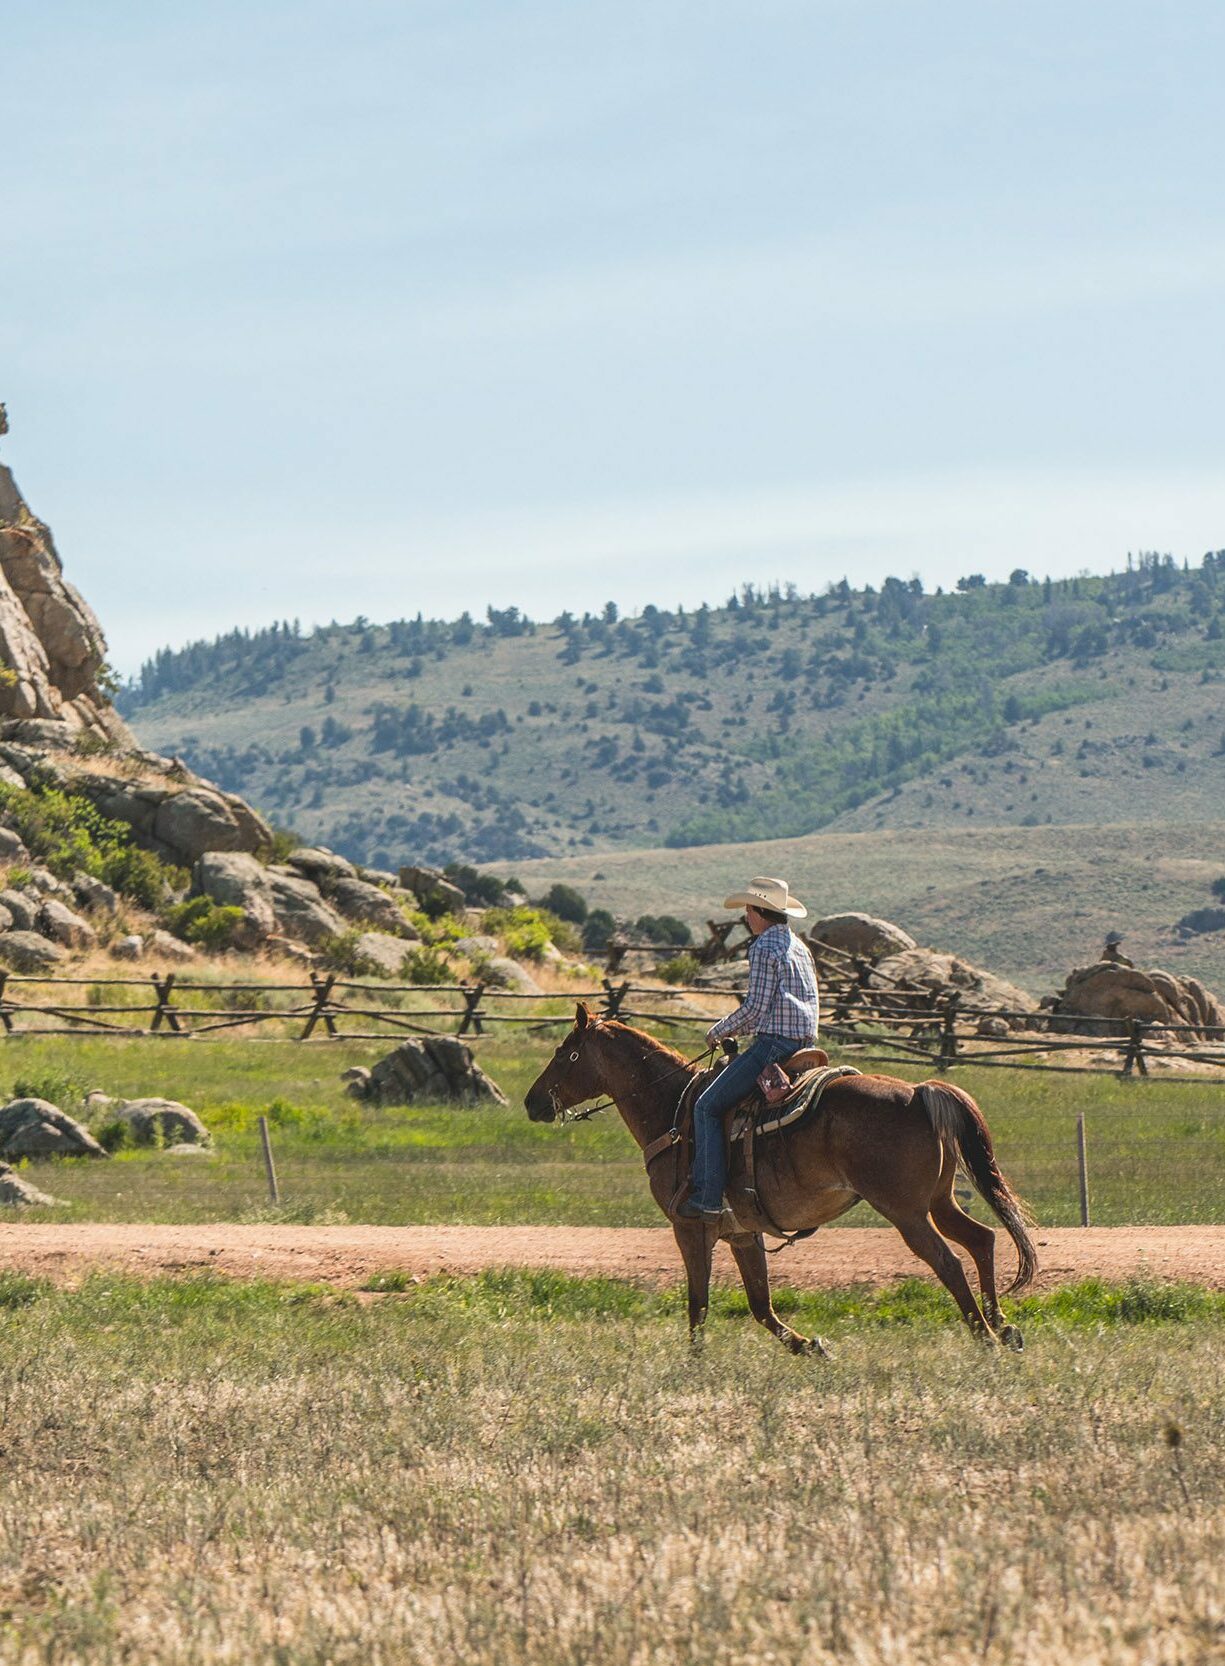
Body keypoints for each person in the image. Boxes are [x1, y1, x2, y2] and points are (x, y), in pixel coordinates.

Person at [678, 876, 820, 1224]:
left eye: (749, 909)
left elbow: (756, 1009)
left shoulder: (763, 947)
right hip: (806, 1044)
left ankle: (709, 1198)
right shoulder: (798, 946)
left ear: (760, 911)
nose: (746, 917)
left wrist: (719, 1031)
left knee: (707, 1106)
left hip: (774, 1045)